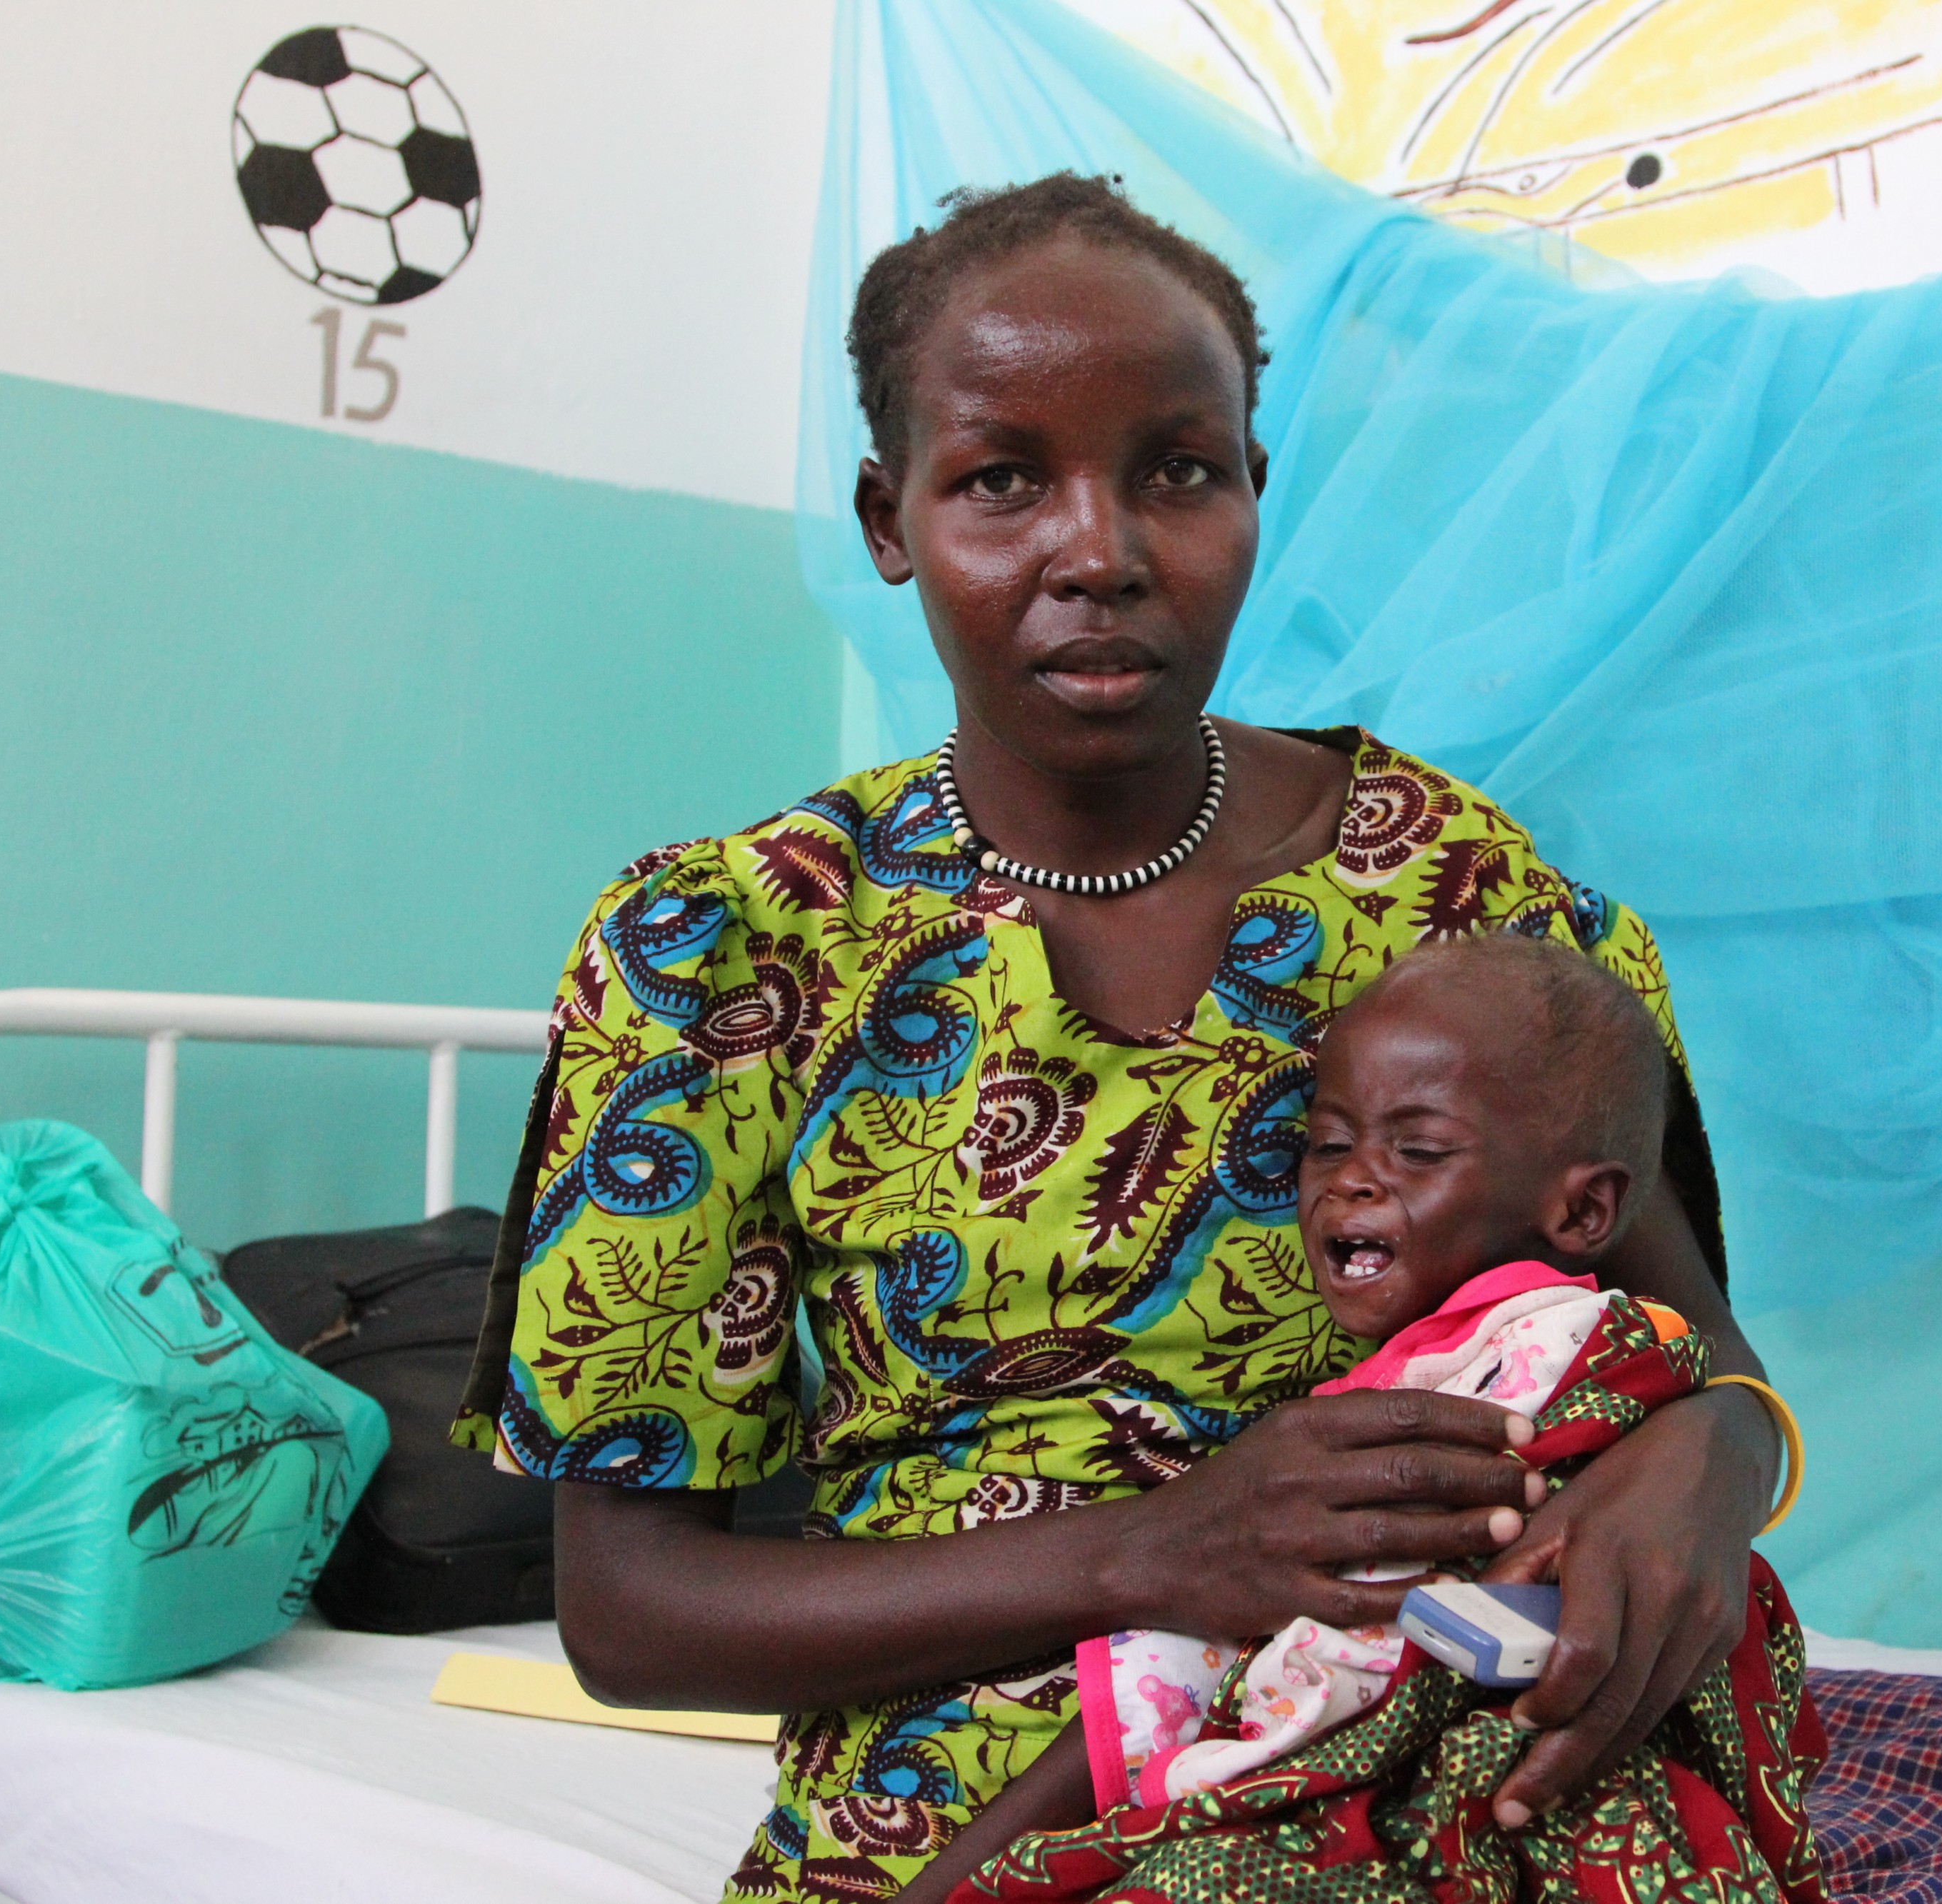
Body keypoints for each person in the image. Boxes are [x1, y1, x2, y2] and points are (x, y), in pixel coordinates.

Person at [453, 171, 1785, 1904]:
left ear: (1249, 490)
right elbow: (629, 1617)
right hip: (951, 1819)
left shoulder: (1458, 890)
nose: (1102, 550)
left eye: (1179, 469)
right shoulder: (724, 955)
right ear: (889, 515)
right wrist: (1164, 1550)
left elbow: (1701, 1351)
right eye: (1004, 477)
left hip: (1418, 1760)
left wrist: (1702, 1465)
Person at [886, 931, 1817, 1904]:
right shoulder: (1406, 1382)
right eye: (1328, 1143)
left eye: (1418, 1149)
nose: (1353, 1178)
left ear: (1583, 1213)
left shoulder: (1546, 1357)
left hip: (1545, 1765)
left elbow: (1378, 1625)